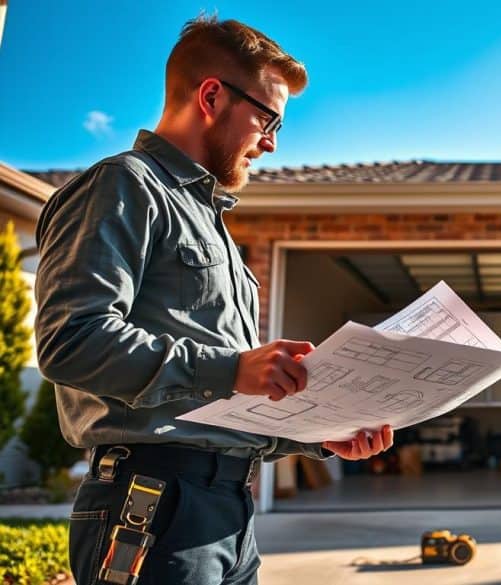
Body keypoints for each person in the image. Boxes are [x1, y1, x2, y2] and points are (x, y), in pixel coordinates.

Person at [34, 16, 392, 584]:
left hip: (227, 513)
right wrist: (232, 367)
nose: (272, 142)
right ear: (211, 96)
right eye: (268, 118)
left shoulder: (215, 226)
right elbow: (71, 340)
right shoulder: (124, 185)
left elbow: (215, 407)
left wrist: (316, 433)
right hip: (150, 504)